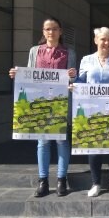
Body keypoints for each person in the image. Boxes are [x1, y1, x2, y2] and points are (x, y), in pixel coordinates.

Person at [9, 17, 77, 197]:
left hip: (60, 103)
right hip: (40, 102)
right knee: (43, 141)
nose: (51, 32)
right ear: (43, 31)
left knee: (62, 141)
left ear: (60, 31)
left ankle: (62, 179)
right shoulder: (35, 51)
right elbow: (29, 75)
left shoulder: (69, 52)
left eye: (54, 29)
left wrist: (72, 75)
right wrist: (17, 74)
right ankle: (43, 181)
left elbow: (73, 80)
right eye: (47, 29)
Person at [77, 27, 109, 197]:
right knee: (94, 148)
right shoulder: (86, 60)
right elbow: (80, 81)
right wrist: (73, 86)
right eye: (103, 39)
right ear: (96, 40)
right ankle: (96, 183)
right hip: (91, 110)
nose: (106, 43)